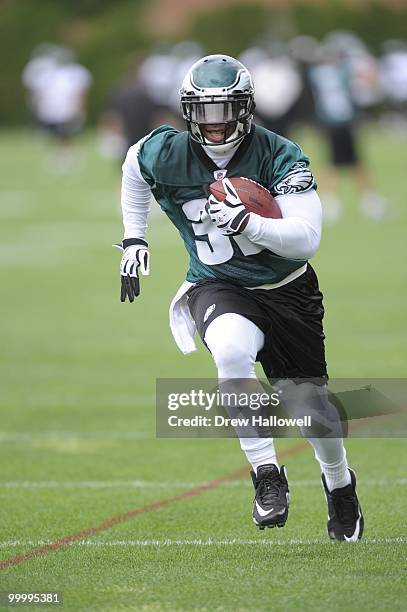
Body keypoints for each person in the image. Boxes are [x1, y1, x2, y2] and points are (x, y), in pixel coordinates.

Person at [117, 54, 364, 541]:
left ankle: (339, 484)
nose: (214, 123)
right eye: (202, 112)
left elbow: (307, 238)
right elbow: (132, 167)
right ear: (186, 112)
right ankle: (266, 474)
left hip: (287, 289)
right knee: (230, 351)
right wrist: (134, 237)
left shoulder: (278, 154)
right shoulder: (165, 151)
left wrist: (249, 222)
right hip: (219, 282)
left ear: (246, 108)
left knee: (311, 409)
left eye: (225, 109)